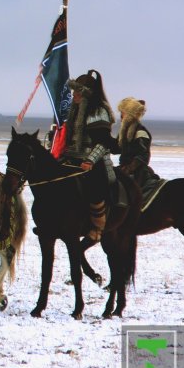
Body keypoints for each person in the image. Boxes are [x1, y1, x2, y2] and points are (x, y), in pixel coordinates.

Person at [62, 69, 116, 242]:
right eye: (73, 91)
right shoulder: (74, 110)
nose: (74, 95)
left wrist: (90, 161)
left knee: (94, 186)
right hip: (71, 157)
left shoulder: (98, 112)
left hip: (93, 160)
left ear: (86, 94)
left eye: (78, 92)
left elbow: (104, 141)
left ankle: (97, 226)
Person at [114, 96, 165, 203]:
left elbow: (143, 156)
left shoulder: (140, 132)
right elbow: (116, 148)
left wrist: (129, 168)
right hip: (124, 168)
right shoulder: (124, 132)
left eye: (123, 112)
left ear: (130, 114)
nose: (121, 116)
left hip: (138, 173)